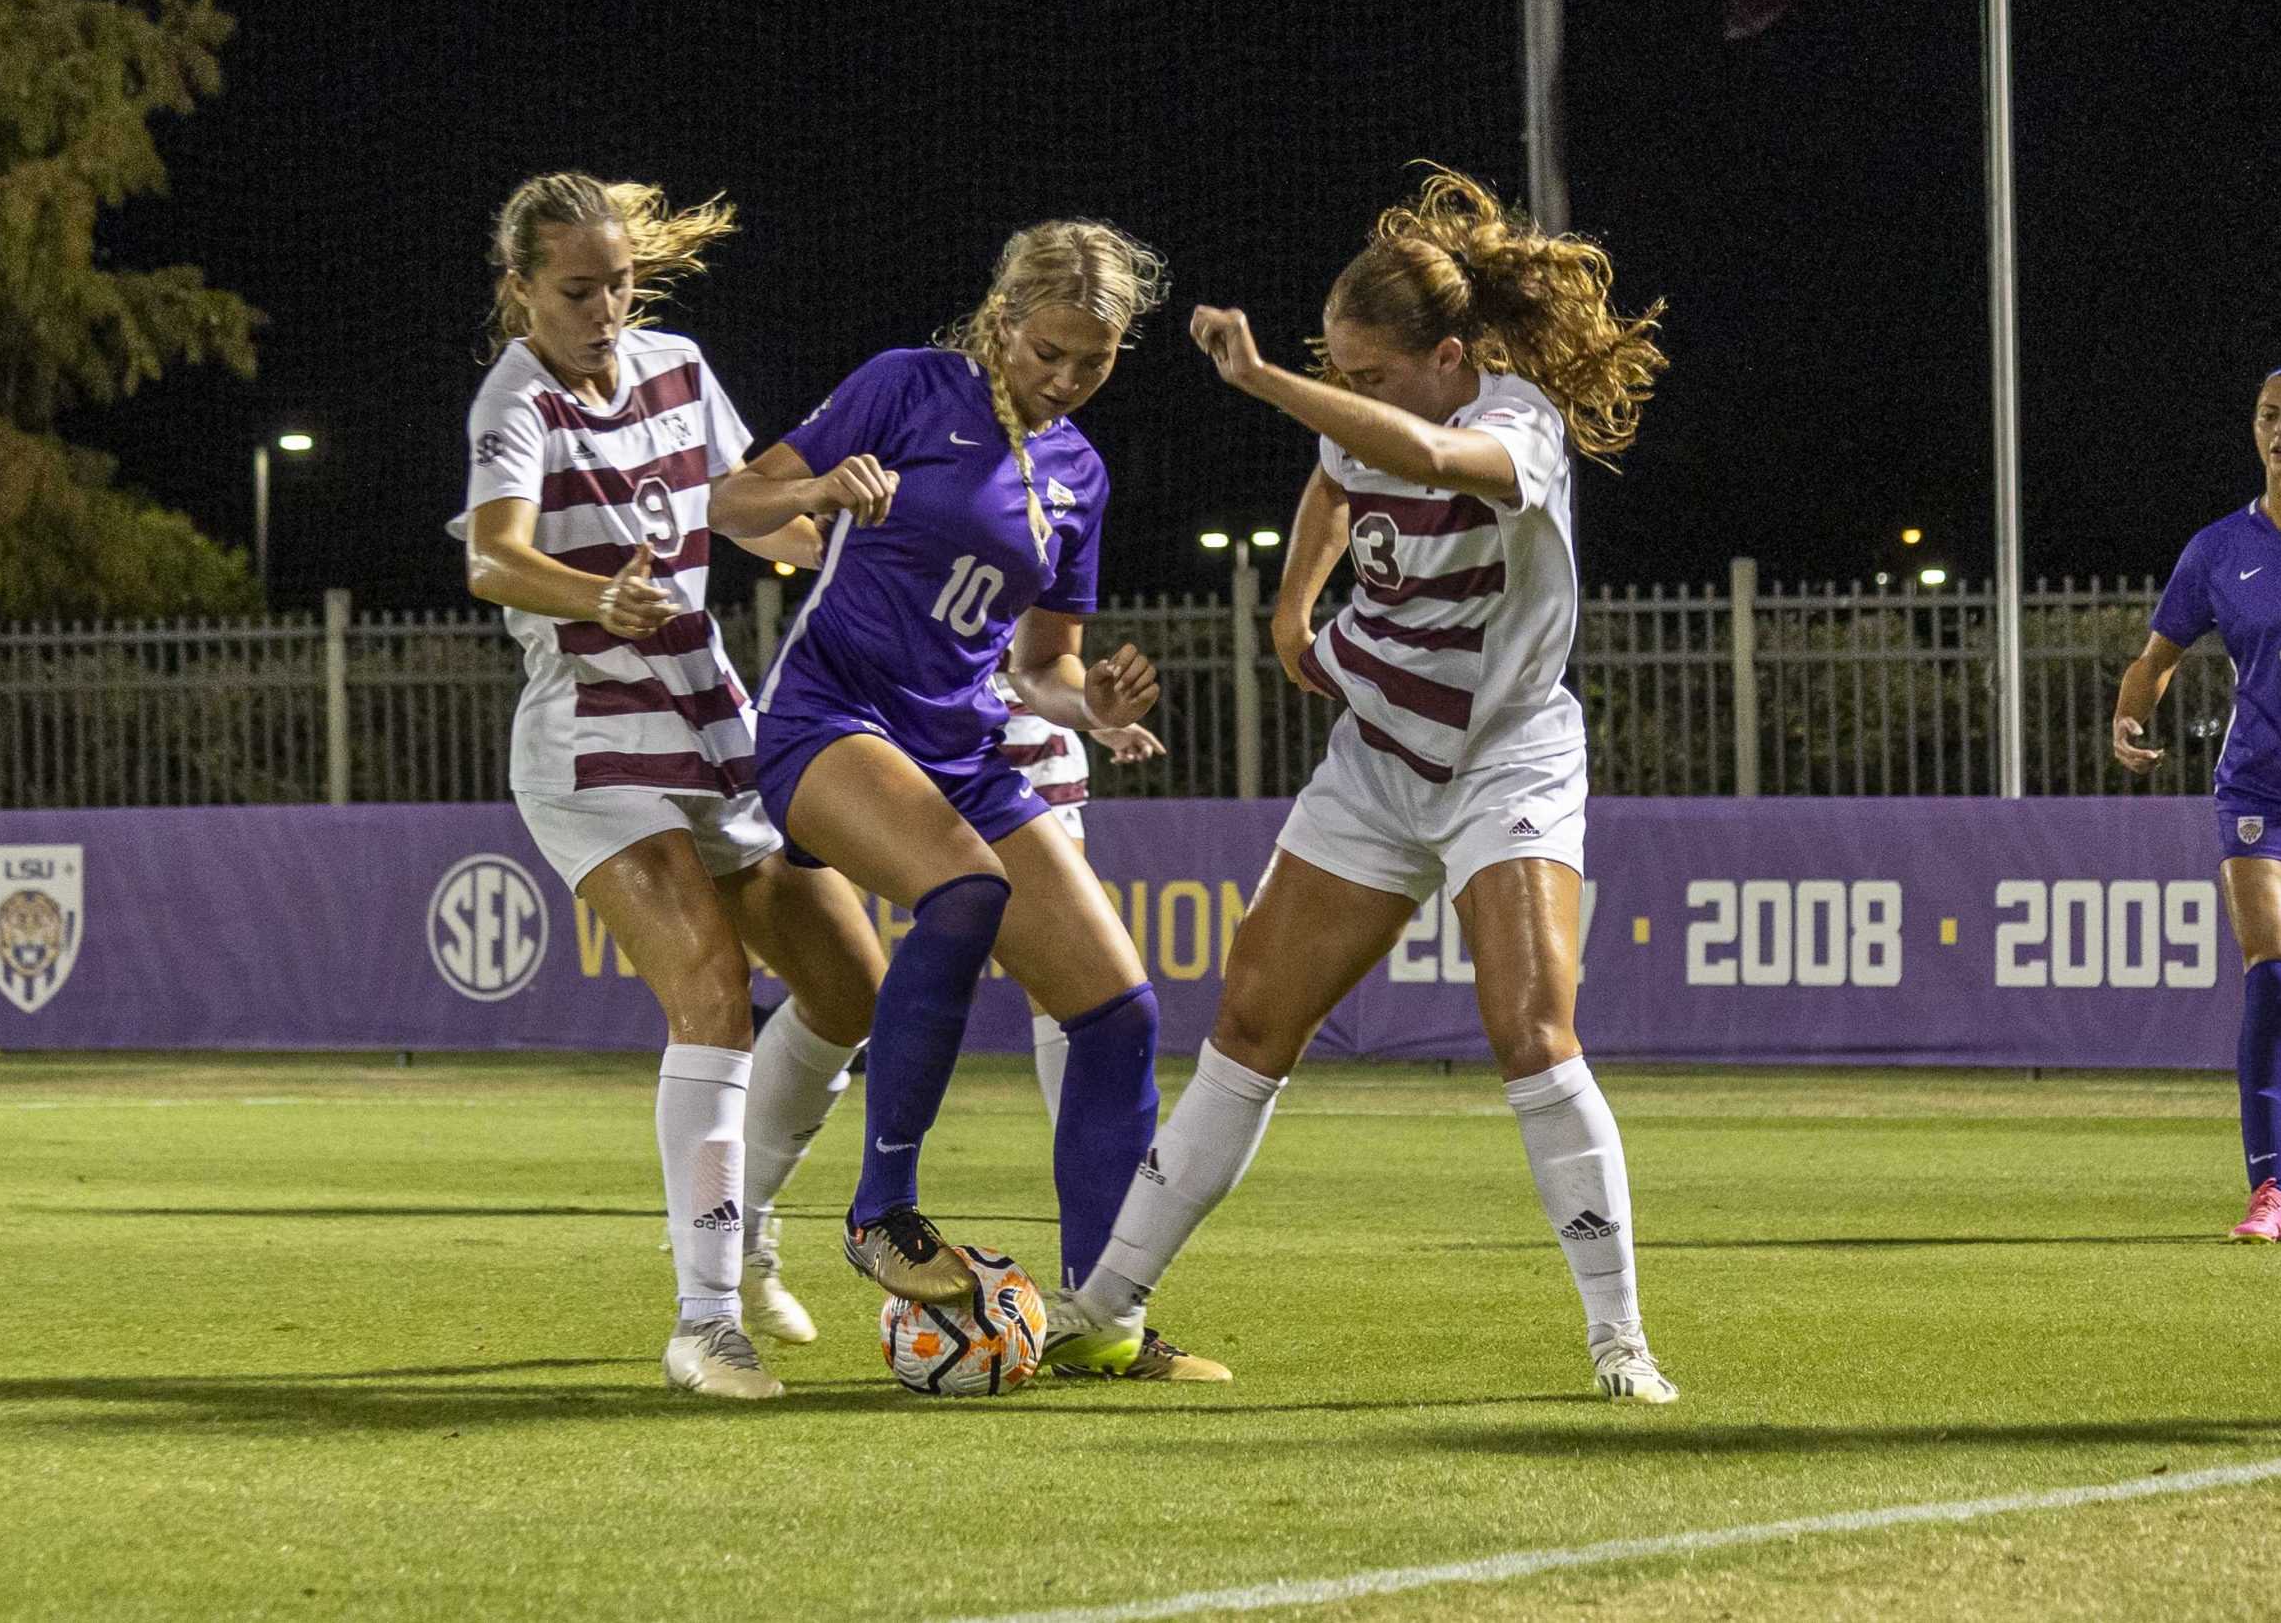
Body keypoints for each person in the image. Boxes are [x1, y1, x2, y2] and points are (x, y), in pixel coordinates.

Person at [1045, 167, 1683, 1403]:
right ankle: (1101, 1310)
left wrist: (1266, 384)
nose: (1349, 398)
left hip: (1505, 758)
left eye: (1369, 376)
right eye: (1333, 374)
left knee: (1530, 1032)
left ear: (1451, 357)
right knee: (1246, 1028)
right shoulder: (1359, 414)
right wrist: (1294, 605)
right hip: (1377, 760)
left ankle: (1620, 1342)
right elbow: (1340, 471)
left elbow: (1428, 453)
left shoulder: (1512, 425)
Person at [711, 219, 1224, 1380]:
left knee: (1118, 1010)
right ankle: (878, 1212)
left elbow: (1043, 663)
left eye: (1090, 362)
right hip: (829, 722)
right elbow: (728, 506)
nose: (1063, 378)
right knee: (961, 892)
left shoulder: (1081, 472)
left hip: (963, 749)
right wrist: (819, 486)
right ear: (1002, 323)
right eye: (1047, 351)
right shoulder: (908, 386)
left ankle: (1104, 1323)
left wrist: (1091, 703)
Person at [452, 169, 886, 1400]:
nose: (603, 310)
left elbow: (748, 515)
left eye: (619, 286)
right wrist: (599, 594)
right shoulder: (516, 397)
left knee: (852, 988)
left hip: (711, 720)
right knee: (708, 993)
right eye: (577, 290)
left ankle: (737, 1225)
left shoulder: (680, 367)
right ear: (522, 291)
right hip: (592, 744)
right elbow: (493, 556)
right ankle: (704, 1322)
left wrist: (836, 530)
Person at [2113, 366, 2281, 1243]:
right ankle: (2272, 1186)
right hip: (2259, 787)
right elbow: (2160, 652)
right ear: (2254, 431)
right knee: (2276, 970)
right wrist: (2132, 705)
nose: (2280, 430)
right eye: (2268, 416)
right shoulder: (2220, 548)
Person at [990, 667, 1165, 1117]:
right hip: (979, 752)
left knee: (1061, 976)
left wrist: (1098, 719)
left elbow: (1041, 662)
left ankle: (1080, 1148)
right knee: (1061, 973)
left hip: (1035, 756)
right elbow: (1033, 661)